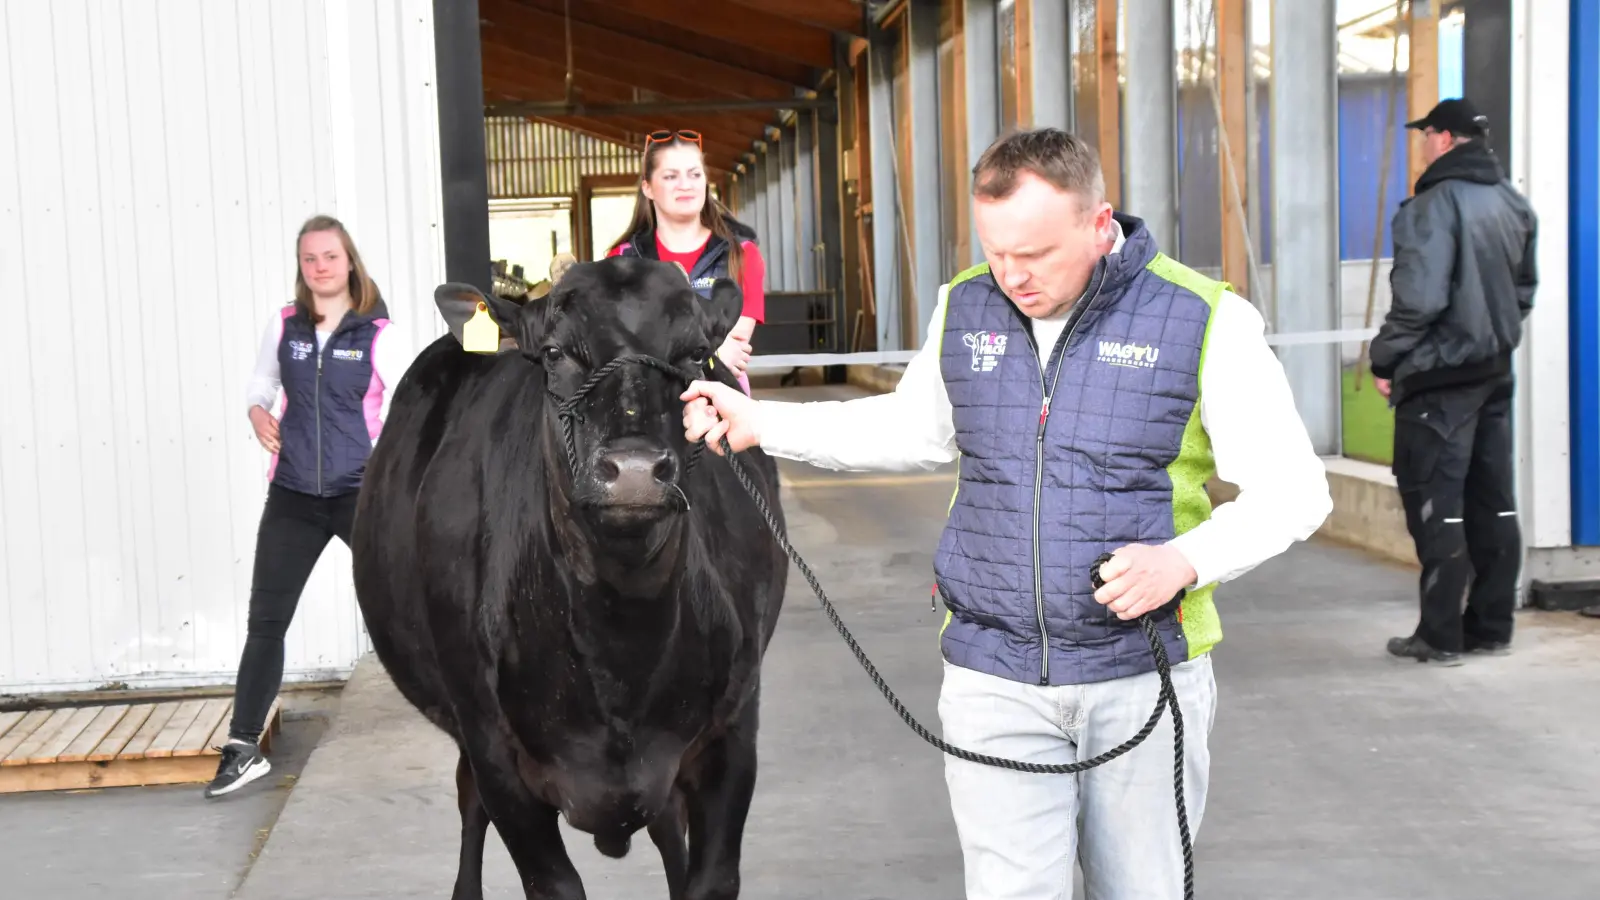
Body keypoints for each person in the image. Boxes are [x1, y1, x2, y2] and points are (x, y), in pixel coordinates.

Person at [680, 128, 1332, 899]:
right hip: (992, 676)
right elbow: (913, 430)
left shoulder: (1204, 318)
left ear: (1100, 223)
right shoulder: (966, 304)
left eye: (1036, 254)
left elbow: (1295, 491)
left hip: (1142, 678)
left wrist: (1185, 561)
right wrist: (764, 423)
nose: (1013, 275)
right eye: (996, 252)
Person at [205, 215, 413, 798]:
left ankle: (465, 715)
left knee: (406, 605)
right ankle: (243, 746)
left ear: (350, 262)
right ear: (301, 266)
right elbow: (261, 384)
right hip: (293, 496)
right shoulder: (285, 325)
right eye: (309, 259)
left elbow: (410, 403)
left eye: (330, 256)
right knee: (266, 622)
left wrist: (388, 458)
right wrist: (257, 412)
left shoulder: (379, 335)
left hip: (360, 495)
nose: (320, 267)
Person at [1370, 98, 1538, 664]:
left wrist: (1386, 359)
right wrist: (1492, 332)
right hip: (1494, 371)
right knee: (1493, 501)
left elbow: (1419, 300)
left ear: (1443, 139)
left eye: (1426, 135)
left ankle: (1439, 636)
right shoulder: (1512, 202)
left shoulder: (1431, 207)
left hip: (1440, 380)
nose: (1422, 144)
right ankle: (1491, 626)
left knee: (1435, 502)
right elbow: (1523, 291)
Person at [607, 129, 766, 394]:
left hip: (721, 404)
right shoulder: (622, 259)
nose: (686, 185)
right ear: (648, 187)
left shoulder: (742, 255)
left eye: (694, 174)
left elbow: (734, 349)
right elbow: (619, 348)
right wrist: (711, 352)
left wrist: (655, 344)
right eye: (671, 176)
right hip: (647, 403)